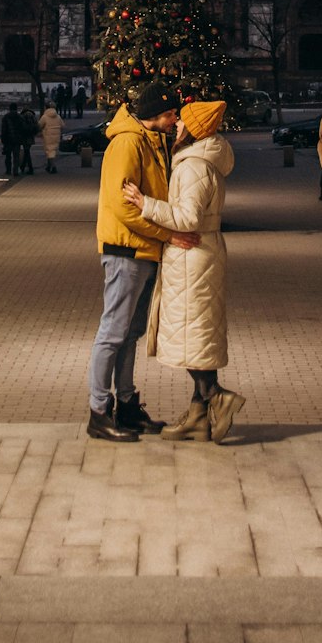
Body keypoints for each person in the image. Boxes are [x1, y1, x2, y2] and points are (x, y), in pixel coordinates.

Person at [124, 99, 243, 443]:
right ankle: (197, 417)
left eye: (182, 122)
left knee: (191, 336)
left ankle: (218, 397)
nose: (176, 125)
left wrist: (145, 204)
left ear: (194, 129)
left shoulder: (193, 166)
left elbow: (188, 218)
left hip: (192, 256)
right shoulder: (204, 160)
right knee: (198, 336)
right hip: (200, 255)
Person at [87, 80, 199, 442]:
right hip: (126, 252)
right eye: (170, 115)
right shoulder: (128, 142)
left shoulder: (151, 141)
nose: (173, 121)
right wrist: (168, 235)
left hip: (144, 251)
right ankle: (98, 412)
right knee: (112, 333)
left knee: (129, 334)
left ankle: (128, 406)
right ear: (156, 114)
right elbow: (123, 207)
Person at [39, 101, 62, 173]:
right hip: (56, 135)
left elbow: (39, 125)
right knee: (52, 151)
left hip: (48, 135)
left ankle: (53, 166)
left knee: (49, 151)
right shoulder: (58, 116)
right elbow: (63, 125)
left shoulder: (44, 117)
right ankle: (49, 166)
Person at [1, 104, 22, 176]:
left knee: (8, 156)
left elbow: (3, 130)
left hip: (8, 139)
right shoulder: (19, 117)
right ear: (16, 108)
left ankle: (8, 170)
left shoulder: (6, 117)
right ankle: (15, 171)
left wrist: (3, 140)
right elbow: (22, 128)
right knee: (16, 156)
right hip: (17, 139)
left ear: (9, 108)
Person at [19, 106, 37, 174]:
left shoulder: (23, 116)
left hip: (25, 136)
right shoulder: (33, 116)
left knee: (27, 152)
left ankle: (28, 168)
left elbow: (21, 127)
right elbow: (36, 126)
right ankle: (24, 167)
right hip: (31, 136)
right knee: (27, 152)